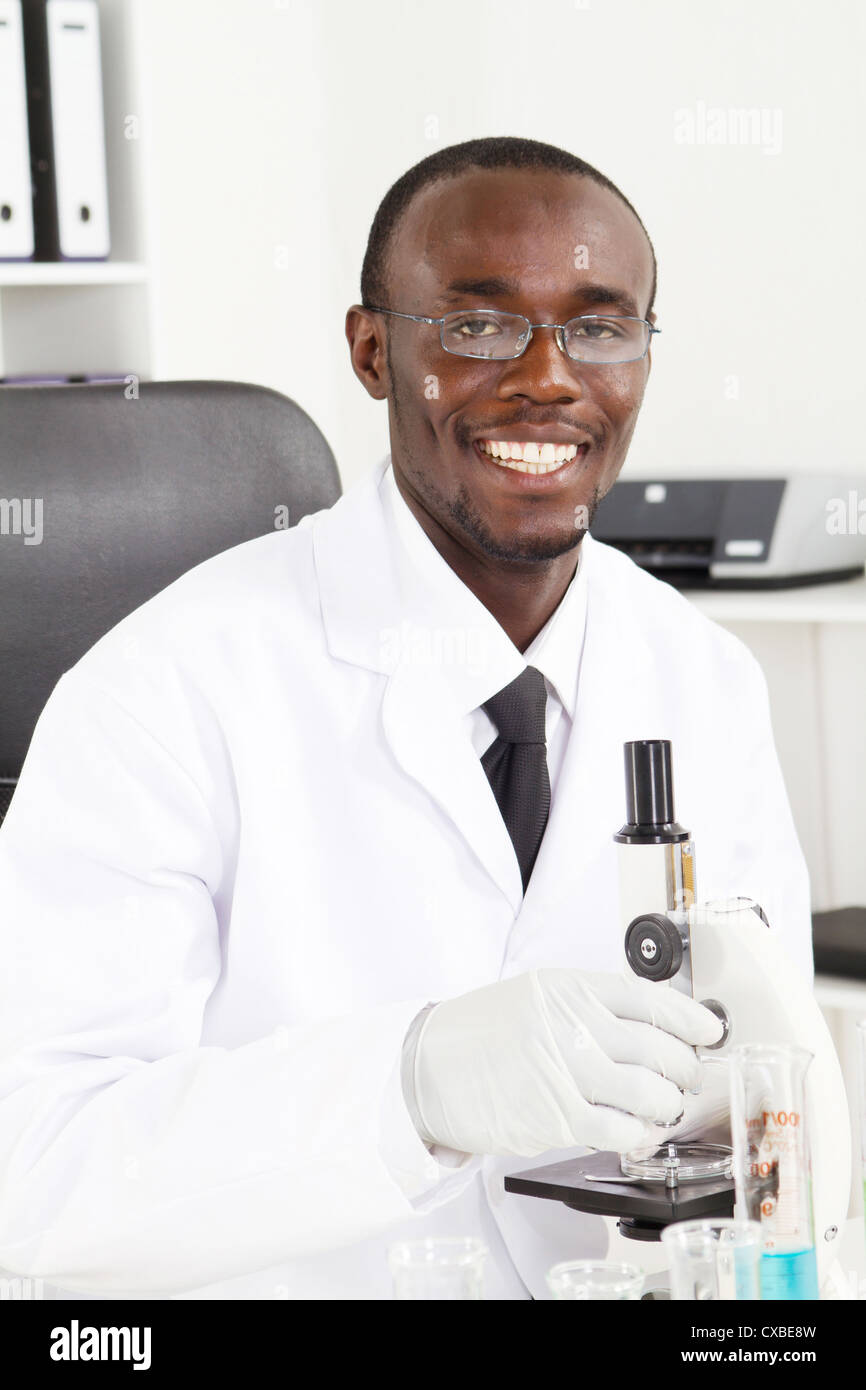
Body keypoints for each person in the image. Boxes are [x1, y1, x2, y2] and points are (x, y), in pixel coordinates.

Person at [0, 137, 811, 1301]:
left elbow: (765, 1092)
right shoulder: (161, 690)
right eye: (478, 327)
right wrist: (409, 1085)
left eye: (599, 325)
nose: (549, 376)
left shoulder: (705, 678)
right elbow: (34, 1170)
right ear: (373, 351)